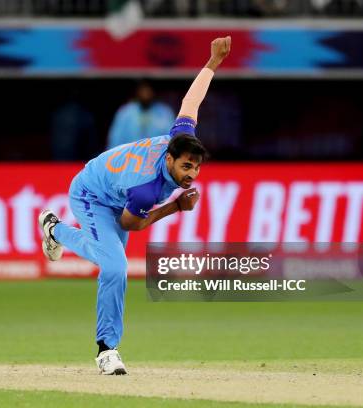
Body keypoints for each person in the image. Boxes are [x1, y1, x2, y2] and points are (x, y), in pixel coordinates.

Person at [38, 36, 231, 375]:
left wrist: (213, 62)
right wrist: (175, 207)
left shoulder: (178, 139)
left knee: (108, 259)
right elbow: (132, 224)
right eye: (187, 167)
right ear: (170, 159)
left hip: (115, 192)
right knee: (115, 268)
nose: (192, 175)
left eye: (197, 168)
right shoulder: (147, 189)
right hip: (92, 194)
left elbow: (191, 100)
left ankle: (54, 229)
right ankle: (106, 350)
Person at [106, 80, 175, 149]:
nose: (146, 93)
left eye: (148, 90)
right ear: (137, 92)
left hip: (157, 156)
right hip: (129, 156)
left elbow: (172, 138)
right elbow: (115, 141)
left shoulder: (165, 112)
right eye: (143, 90)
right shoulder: (125, 112)